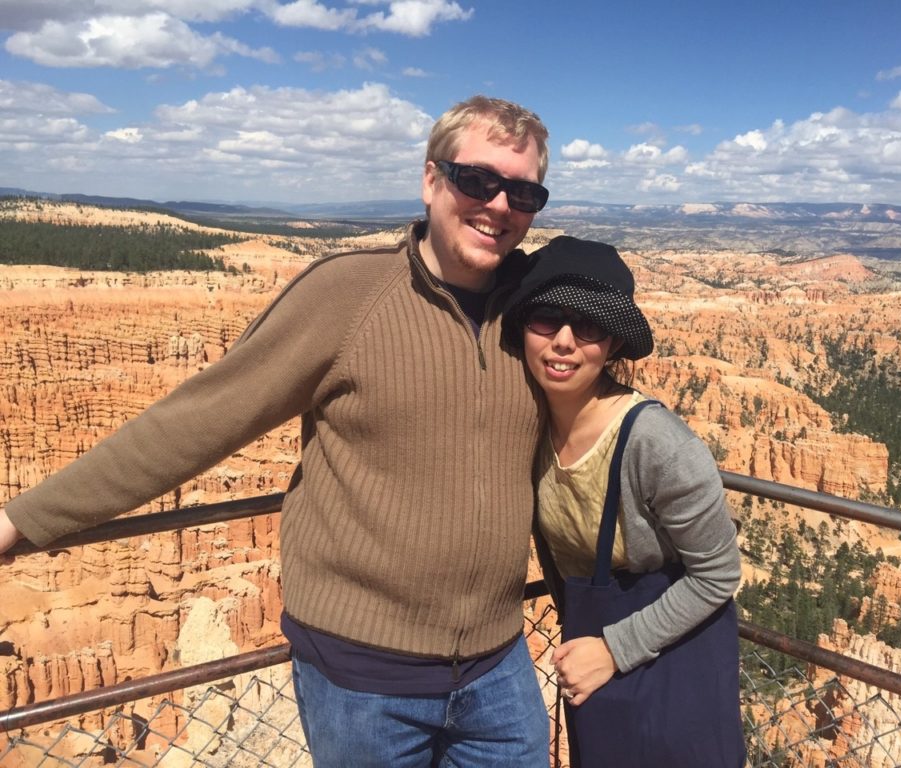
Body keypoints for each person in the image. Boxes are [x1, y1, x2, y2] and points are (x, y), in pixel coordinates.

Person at [0, 95, 553, 767]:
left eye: (523, 192)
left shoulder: (541, 313)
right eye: (478, 181)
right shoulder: (347, 296)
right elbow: (196, 421)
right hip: (363, 681)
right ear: (432, 181)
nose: (499, 205)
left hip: (498, 669)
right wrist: (23, 519)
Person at [502, 236, 747, 767]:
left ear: (612, 344)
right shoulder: (529, 423)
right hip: (595, 665)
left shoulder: (656, 443)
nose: (564, 341)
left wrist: (614, 649)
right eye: (545, 318)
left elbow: (720, 574)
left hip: (657, 664)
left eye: (588, 326)